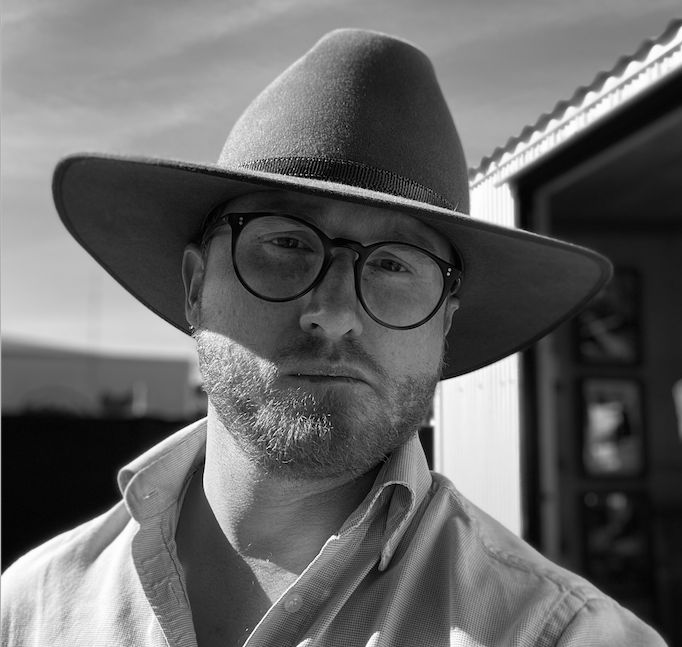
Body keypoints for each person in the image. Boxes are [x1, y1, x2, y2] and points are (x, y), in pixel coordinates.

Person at [1, 28, 667, 647]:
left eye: (394, 265)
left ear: (445, 320)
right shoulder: (31, 610)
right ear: (196, 284)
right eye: (287, 243)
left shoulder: (556, 634)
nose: (335, 312)